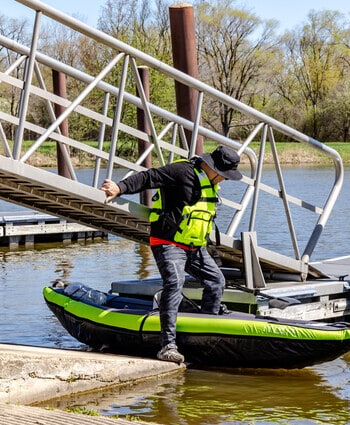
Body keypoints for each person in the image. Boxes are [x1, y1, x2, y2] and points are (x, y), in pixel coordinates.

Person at [100, 145, 243, 364]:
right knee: (175, 282)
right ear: (213, 168)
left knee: (216, 281)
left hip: (194, 246)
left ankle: (205, 333)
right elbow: (148, 177)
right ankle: (167, 346)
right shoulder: (181, 172)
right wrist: (119, 187)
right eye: (224, 176)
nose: (224, 180)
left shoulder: (210, 184)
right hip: (168, 242)